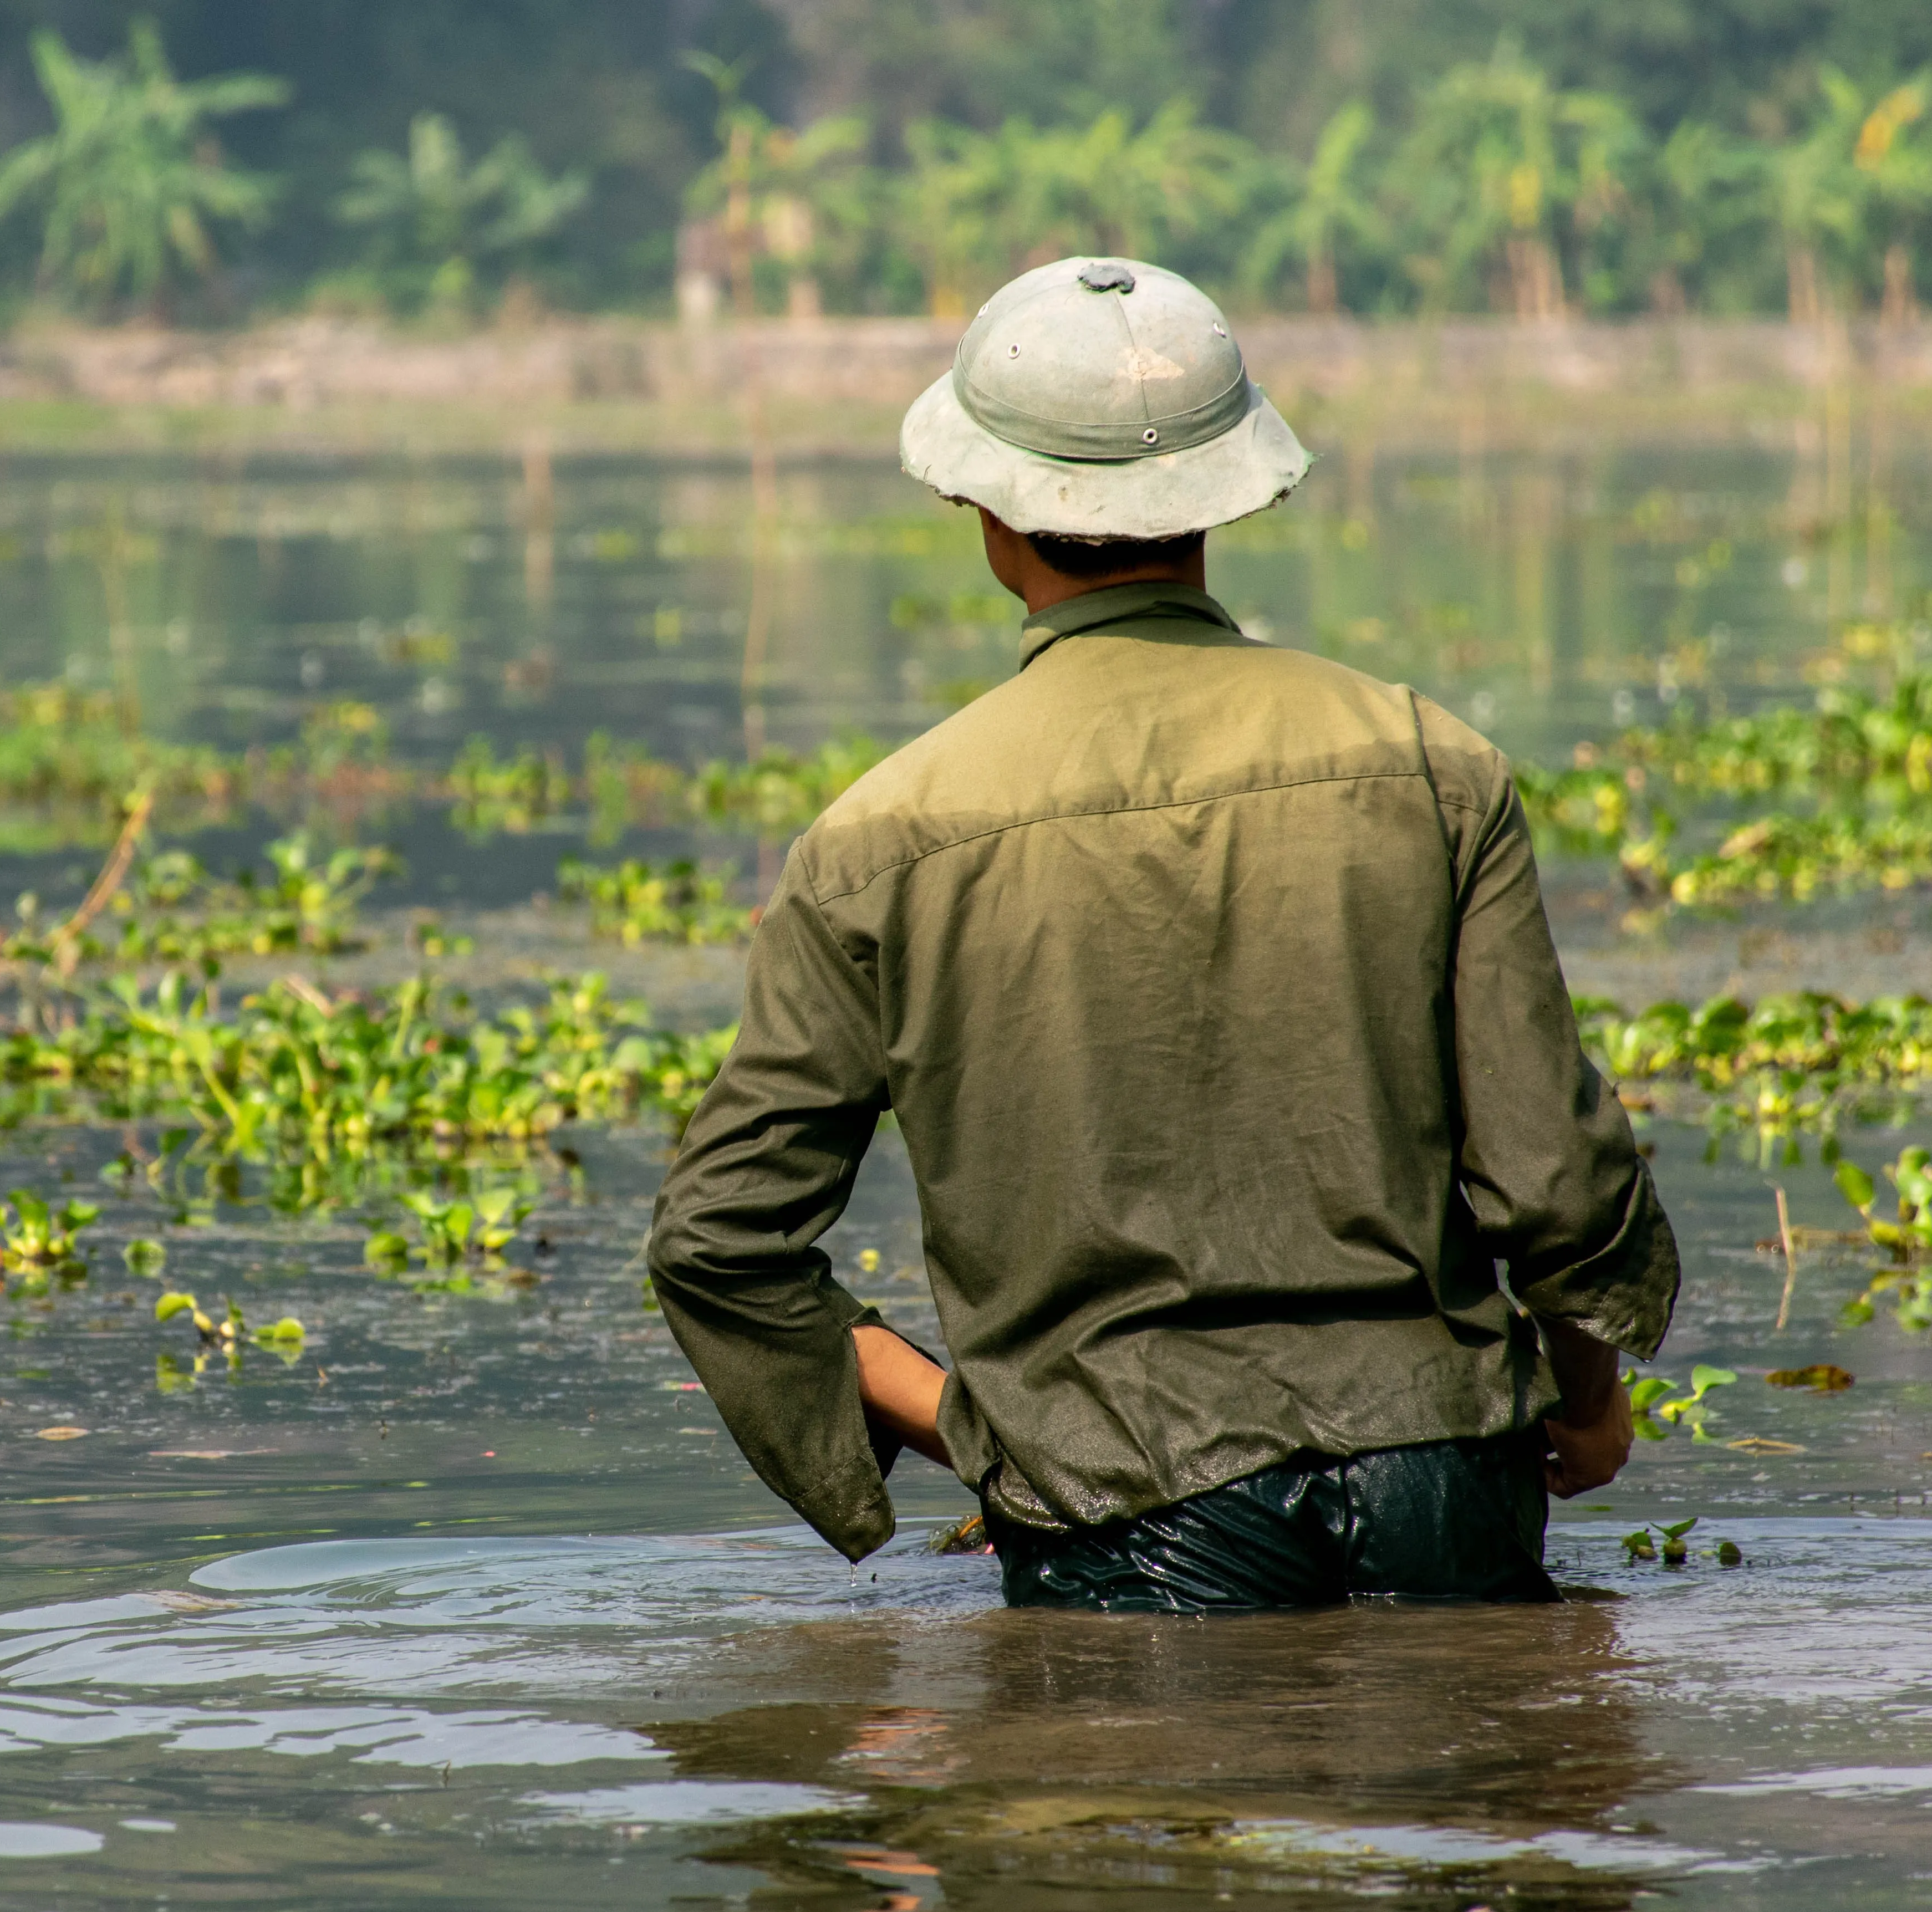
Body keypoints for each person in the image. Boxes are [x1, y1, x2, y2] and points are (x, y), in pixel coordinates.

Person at [645, 256, 1676, 1614]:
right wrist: (1591, 1408)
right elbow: (1554, 1179)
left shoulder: (876, 843)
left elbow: (719, 1243)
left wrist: (981, 1429)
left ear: (984, 508)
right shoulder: (1432, 764)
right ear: (1226, 494)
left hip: (1126, 1517)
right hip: (1448, 1476)